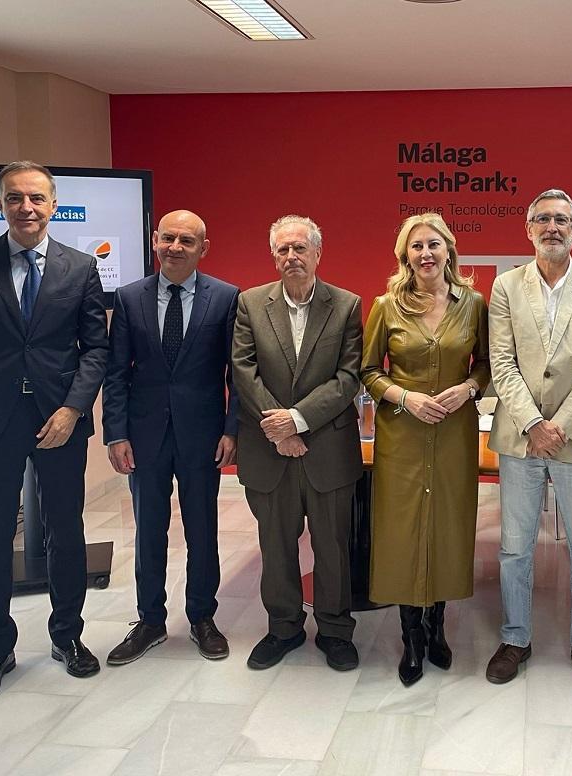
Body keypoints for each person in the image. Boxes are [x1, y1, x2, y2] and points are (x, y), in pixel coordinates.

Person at [0, 160, 109, 700]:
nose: (26, 208)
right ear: (1, 205)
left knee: (66, 532)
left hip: (59, 422)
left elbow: (95, 349)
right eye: (14, 198)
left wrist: (73, 409)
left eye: (36, 198)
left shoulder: (81, 267)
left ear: (53, 205)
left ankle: (67, 637)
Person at [486, 189, 572, 693]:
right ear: (528, 229)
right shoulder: (506, 287)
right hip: (520, 438)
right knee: (514, 548)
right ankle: (515, 638)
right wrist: (533, 424)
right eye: (542, 219)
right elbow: (501, 361)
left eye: (561, 220)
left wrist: (558, 426)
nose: (551, 227)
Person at [102, 210, 239, 665]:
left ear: (204, 248)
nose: (175, 247)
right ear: (154, 241)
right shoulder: (129, 298)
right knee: (149, 530)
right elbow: (116, 373)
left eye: (186, 240)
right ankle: (150, 620)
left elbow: (236, 374)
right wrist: (116, 433)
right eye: (168, 238)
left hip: (203, 434)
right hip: (144, 436)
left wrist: (231, 428)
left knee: (202, 529)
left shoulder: (226, 297)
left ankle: (202, 617)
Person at [361, 213, 490, 686]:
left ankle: (437, 627)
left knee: (447, 527)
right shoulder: (386, 306)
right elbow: (368, 370)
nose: (426, 253)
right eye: (416, 246)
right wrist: (404, 397)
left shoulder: (473, 304)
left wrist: (469, 389)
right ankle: (411, 637)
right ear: (405, 255)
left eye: (434, 244)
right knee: (402, 531)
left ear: (449, 250)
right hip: (403, 435)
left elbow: (487, 365)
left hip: (455, 434)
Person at [232, 215, 364, 672]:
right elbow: (243, 371)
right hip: (269, 450)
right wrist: (280, 428)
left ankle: (335, 630)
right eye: (283, 250)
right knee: (275, 546)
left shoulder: (346, 305)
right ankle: (283, 628)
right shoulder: (250, 304)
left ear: (317, 253)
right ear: (274, 257)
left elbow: (348, 377)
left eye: (300, 248)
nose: (291, 257)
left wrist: (297, 421)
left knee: (333, 547)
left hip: (326, 448)